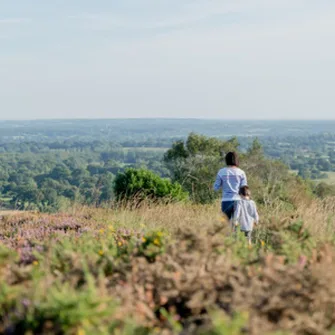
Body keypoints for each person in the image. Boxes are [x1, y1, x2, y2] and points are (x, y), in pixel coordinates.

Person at [214, 151, 247, 221]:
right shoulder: (241, 172)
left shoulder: (221, 172)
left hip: (226, 201)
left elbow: (215, 187)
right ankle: (234, 232)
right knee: (236, 224)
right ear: (237, 160)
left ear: (226, 160)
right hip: (238, 201)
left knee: (225, 224)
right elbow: (244, 188)